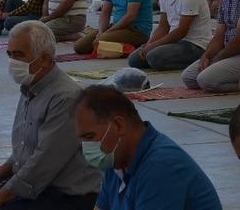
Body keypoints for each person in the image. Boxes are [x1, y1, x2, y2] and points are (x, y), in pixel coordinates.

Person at [0, 22, 100, 210]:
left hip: (64, 196)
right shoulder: (30, 87)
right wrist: (1, 173)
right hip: (36, 187)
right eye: (10, 55)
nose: (12, 62)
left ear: (45, 59)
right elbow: (25, 149)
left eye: (19, 55)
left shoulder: (66, 97)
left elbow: (44, 162)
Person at [74, 85, 222, 210]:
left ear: (119, 125)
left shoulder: (161, 167)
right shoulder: (115, 160)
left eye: (89, 137)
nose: (85, 146)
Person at [128, 0, 211, 71]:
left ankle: (198, 60)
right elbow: (163, 27)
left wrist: (153, 46)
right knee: (134, 60)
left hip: (195, 44)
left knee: (153, 57)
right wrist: (149, 44)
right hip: (175, 41)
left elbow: (181, 31)